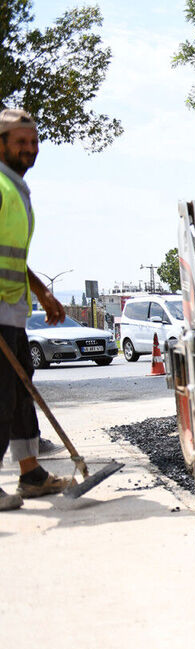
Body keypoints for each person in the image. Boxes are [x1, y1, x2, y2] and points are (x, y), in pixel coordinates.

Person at [0, 108, 72, 511]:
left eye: (34, 142)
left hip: (10, 310)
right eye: (20, 142)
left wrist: (42, 292)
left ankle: (31, 474)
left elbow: (11, 257)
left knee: (21, 390)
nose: (29, 149)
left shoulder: (15, 190)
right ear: (1, 144)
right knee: (2, 397)